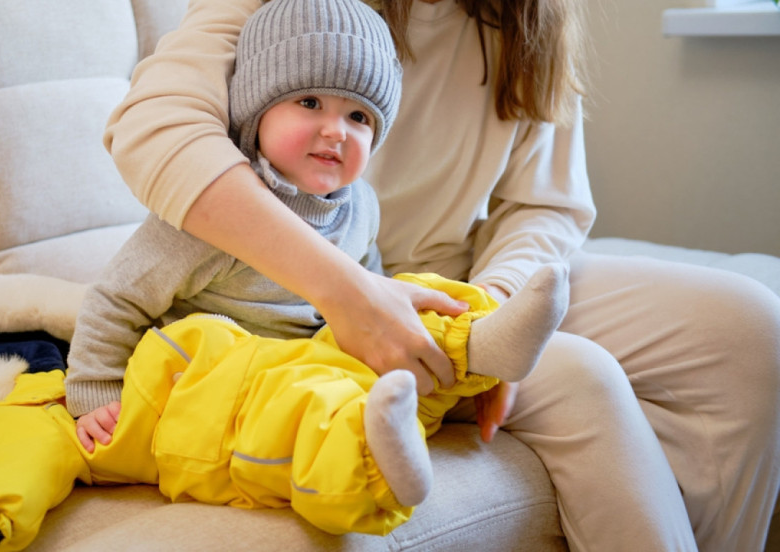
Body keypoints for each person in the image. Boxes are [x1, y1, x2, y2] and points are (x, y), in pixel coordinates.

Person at [102, 0, 780, 550]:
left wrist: (489, 315)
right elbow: (156, 127)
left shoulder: (527, 20)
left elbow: (543, 206)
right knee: (581, 376)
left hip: (463, 287)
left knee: (748, 328)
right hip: (301, 305)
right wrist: (348, 292)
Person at [65, 0, 567, 535]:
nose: (336, 131)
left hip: (314, 349)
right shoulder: (211, 219)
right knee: (302, 402)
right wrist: (96, 390)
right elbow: (114, 298)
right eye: (309, 102)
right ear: (257, 110)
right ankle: (371, 453)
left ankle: (477, 340)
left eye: (359, 118)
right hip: (225, 371)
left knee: (419, 297)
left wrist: (391, 310)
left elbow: (369, 276)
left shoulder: (361, 207)